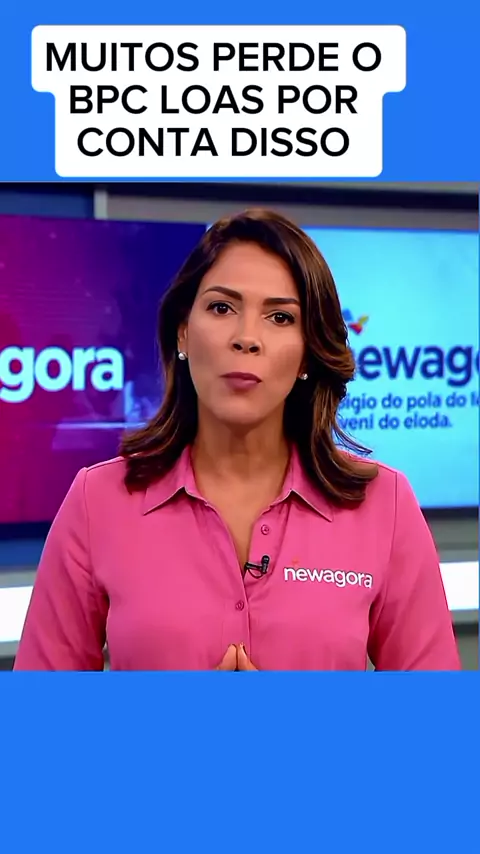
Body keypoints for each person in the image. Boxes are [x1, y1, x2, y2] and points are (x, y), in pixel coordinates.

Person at [14, 208, 460, 671]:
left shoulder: (384, 505)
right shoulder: (98, 501)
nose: (247, 338)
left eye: (280, 317)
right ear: (183, 332)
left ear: (308, 353)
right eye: (222, 308)